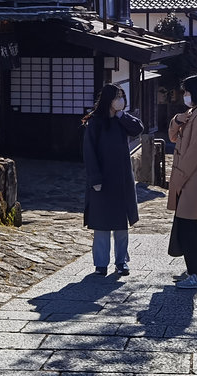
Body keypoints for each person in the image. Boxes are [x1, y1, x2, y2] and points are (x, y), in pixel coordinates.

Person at [82, 83, 143, 276]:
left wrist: (121, 114)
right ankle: (100, 263)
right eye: (117, 97)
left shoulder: (121, 120)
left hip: (122, 178)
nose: (121, 101)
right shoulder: (95, 122)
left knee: (120, 223)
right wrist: (95, 178)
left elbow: (138, 129)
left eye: (122, 97)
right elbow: (89, 152)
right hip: (101, 178)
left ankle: (121, 261)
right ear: (109, 99)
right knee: (101, 223)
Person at [167, 74, 197, 290]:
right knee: (185, 225)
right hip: (185, 178)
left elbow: (194, 153)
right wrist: (177, 120)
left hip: (191, 179)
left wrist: (179, 177)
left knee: (189, 226)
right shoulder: (191, 114)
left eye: (187, 91)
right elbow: (173, 137)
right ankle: (192, 270)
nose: (184, 95)